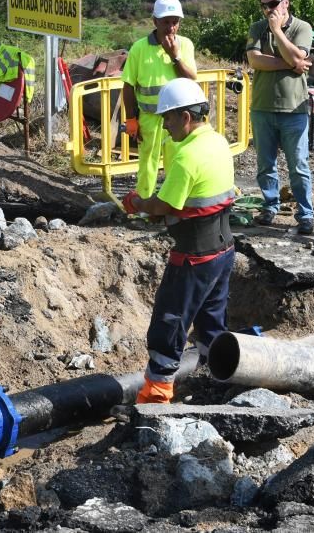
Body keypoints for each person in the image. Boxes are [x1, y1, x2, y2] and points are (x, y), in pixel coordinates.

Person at [121, 78, 236, 404]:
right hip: (223, 250)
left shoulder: (187, 157)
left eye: (168, 118)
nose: (166, 126)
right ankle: (218, 383)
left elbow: (164, 206)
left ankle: (155, 398)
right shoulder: (217, 142)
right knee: (212, 323)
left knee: (169, 324)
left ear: (185, 117)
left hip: (194, 257)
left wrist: (139, 203)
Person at [245, 0, 314, 236]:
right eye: (264, 5)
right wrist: (291, 63)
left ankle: (306, 214)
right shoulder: (256, 28)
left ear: (286, 2)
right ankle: (269, 206)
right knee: (265, 163)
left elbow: (300, 56)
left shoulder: (302, 27)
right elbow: (254, 60)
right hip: (262, 107)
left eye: (273, 4)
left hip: (293, 110)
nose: (268, 10)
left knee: (298, 165)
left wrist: (277, 32)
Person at [121, 0, 198, 199]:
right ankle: (144, 206)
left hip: (178, 118)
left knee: (178, 162)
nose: (171, 27)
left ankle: (174, 205)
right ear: (154, 21)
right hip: (150, 118)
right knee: (148, 164)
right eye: (166, 22)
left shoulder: (185, 45)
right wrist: (131, 119)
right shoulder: (139, 48)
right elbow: (128, 85)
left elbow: (191, 78)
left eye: (175, 22)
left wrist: (175, 56)